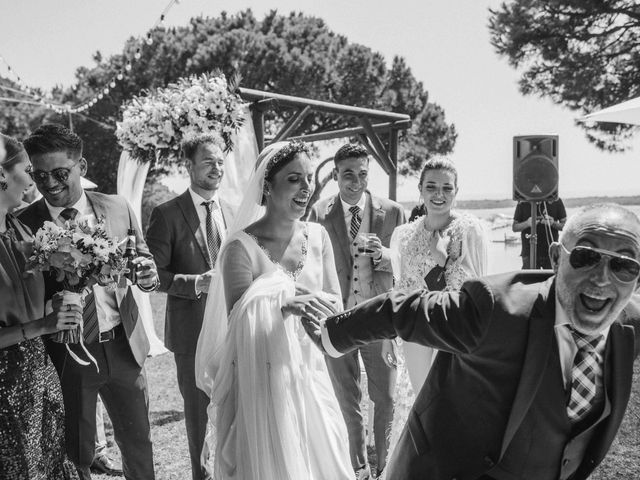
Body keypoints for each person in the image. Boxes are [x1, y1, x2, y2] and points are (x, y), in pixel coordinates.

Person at [306, 203, 640, 480]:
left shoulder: (630, 324)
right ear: (556, 257)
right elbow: (401, 309)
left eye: (624, 265)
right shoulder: (496, 308)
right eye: (585, 257)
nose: (602, 279)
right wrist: (329, 336)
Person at [195, 140, 352, 479]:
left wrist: (319, 312)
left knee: (330, 463)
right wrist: (285, 304)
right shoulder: (240, 248)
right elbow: (239, 325)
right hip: (264, 381)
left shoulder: (319, 236)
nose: (306, 188)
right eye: (294, 178)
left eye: (309, 178)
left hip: (311, 373)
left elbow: (336, 304)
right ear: (267, 185)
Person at [19, 124, 159, 480]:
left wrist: (147, 275)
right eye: (39, 175)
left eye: (59, 173)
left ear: (81, 166)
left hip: (125, 347)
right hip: (65, 355)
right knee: (75, 454)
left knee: (139, 446)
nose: (49, 182)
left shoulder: (118, 207)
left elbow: (140, 258)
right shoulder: (21, 225)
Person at [308, 142, 405, 479]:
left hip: (380, 319)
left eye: (362, 174)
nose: (355, 181)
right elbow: (308, 266)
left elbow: (407, 264)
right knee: (347, 400)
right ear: (336, 175)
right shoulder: (318, 213)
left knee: (387, 398)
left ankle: (386, 467)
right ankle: (358, 467)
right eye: (347, 174)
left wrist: (387, 256)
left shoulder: (393, 211)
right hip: (337, 319)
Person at [146, 134, 234, 480]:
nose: (217, 168)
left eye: (220, 162)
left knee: (235, 408)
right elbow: (153, 276)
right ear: (189, 166)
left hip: (233, 327)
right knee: (199, 415)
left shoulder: (232, 211)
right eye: (209, 161)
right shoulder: (166, 213)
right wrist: (196, 283)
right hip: (191, 334)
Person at [0, 134, 81, 479]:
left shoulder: (20, 229)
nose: (35, 179)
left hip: (39, 371)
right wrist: (41, 326)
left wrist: (57, 301)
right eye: (27, 170)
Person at [391, 157, 487, 392]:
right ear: (420, 190)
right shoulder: (403, 235)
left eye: (447, 188)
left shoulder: (469, 229)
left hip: (455, 327)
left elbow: (478, 288)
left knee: (451, 397)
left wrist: (443, 259)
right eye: (431, 187)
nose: (438, 195)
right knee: (420, 396)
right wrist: (389, 337)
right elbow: (399, 290)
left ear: (456, 191)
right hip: (416, 328)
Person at [512, 198, 567, 269]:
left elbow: (565, 226)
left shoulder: (556, 200)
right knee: (529, 279)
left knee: (553, 279)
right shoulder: (523, 201)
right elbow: (514, 227)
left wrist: (553, 223)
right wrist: (527, 223)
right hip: (529, 252)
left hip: (551, 252)